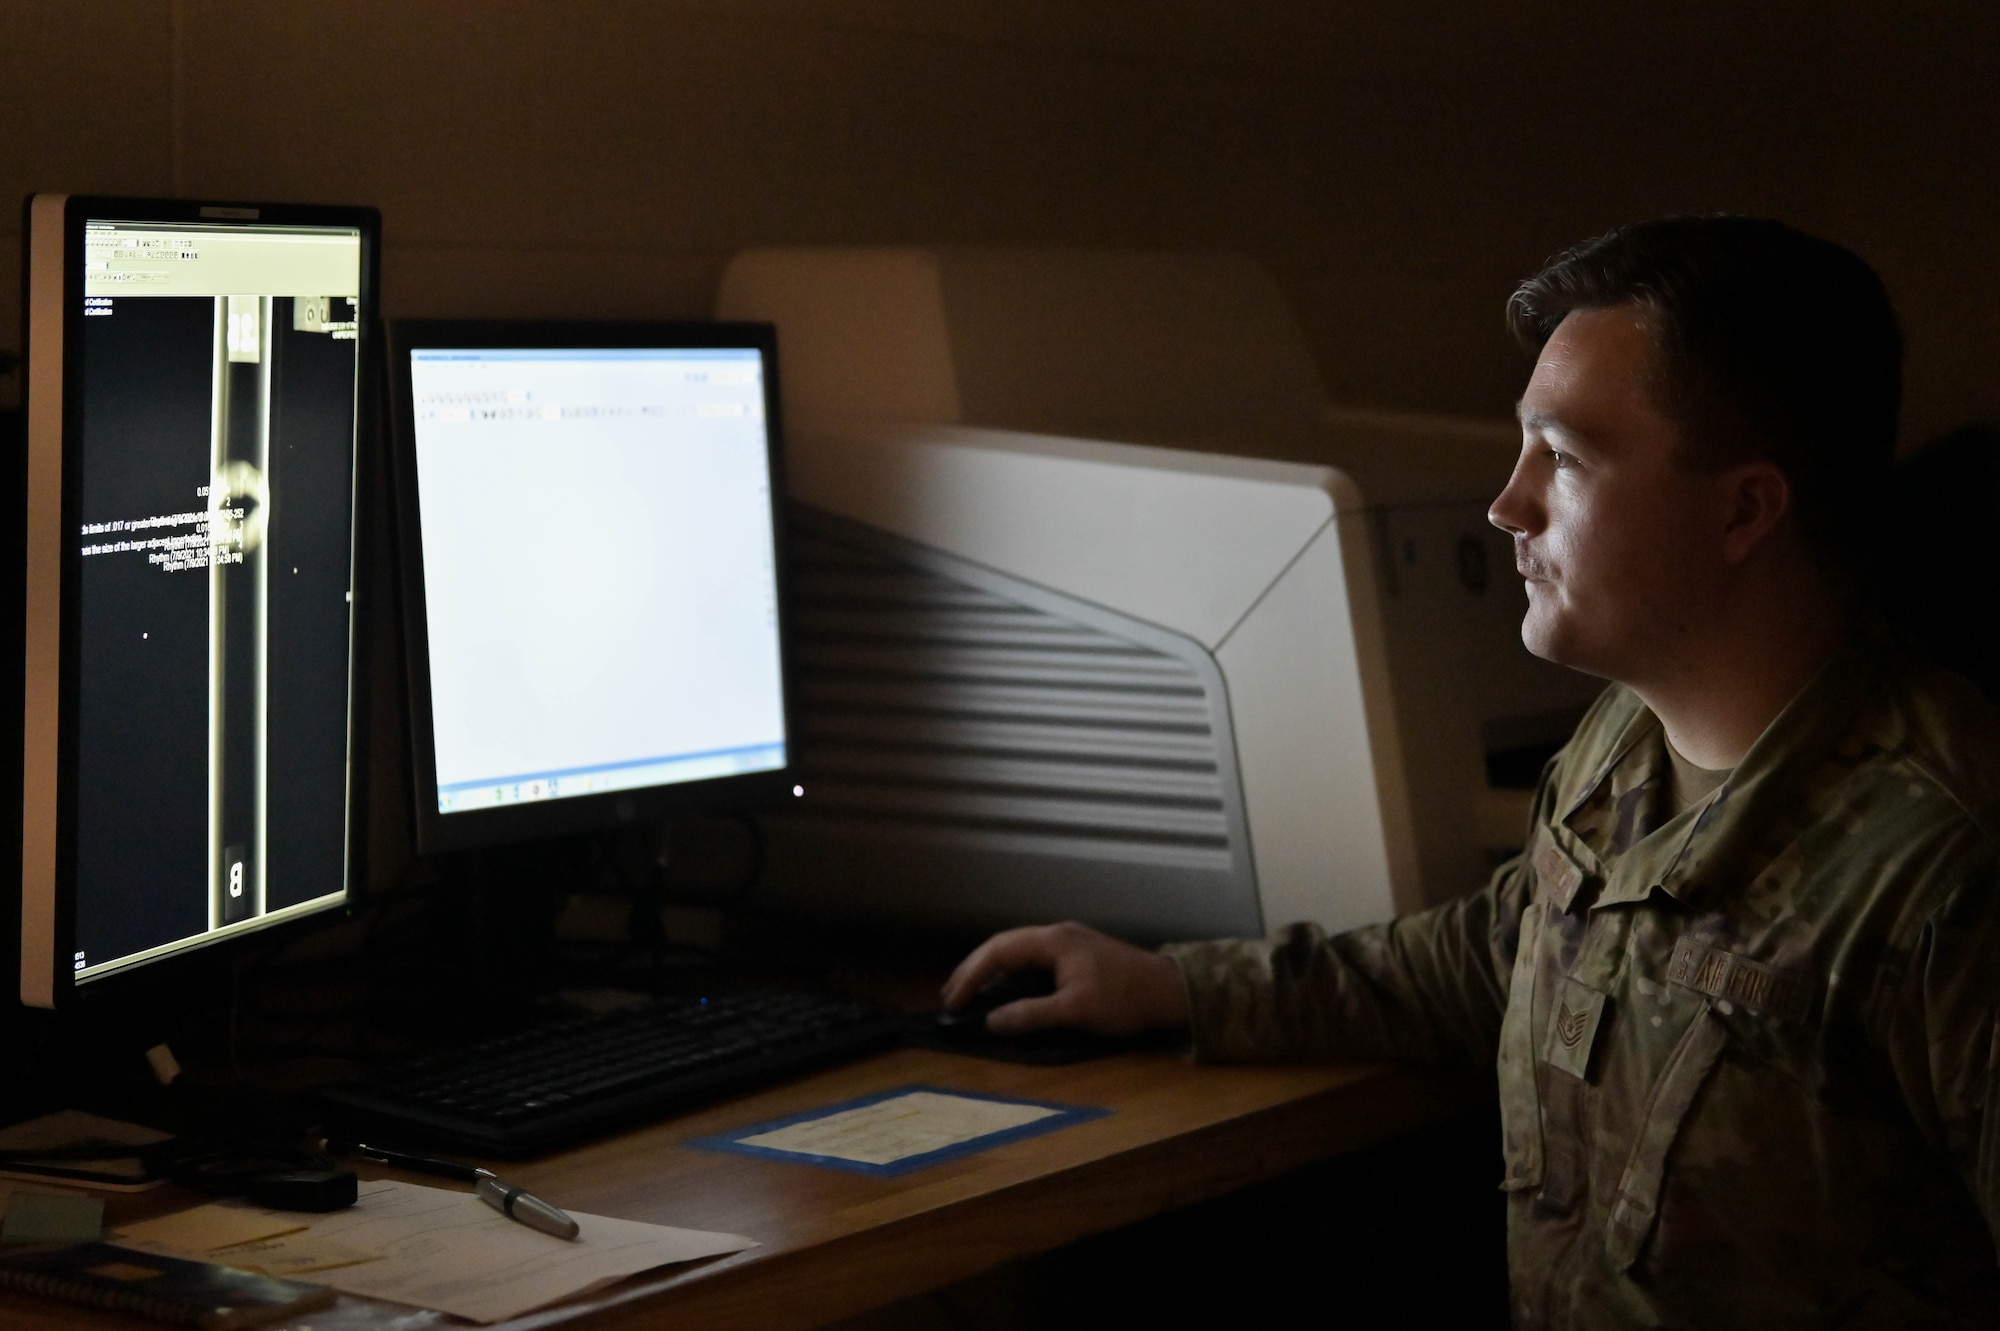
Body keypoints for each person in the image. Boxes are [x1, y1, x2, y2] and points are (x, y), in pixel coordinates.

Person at [942, 216, 2000, 1329]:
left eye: (1562, 457)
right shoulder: (1618, 743)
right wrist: (1173, 985)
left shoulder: (1944, 860)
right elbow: (1508, 944)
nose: (1506, 503)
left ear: (1743, 508)